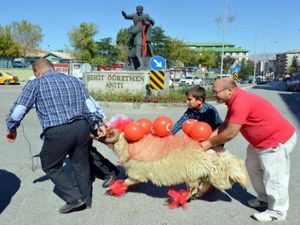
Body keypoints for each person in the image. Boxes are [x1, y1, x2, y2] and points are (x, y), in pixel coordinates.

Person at [6, 58, 105, 213]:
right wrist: (97, 124)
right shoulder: (74, 81)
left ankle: (74, 198)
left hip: (58, 131)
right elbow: (89, 105)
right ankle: (86, 199)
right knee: (81, 164)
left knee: (50, 164)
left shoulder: (35, 83)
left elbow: (20, 108)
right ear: (52, 67)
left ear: (36, 71)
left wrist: (12, 127)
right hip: (81, 128)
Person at [200, 77, 297, 222]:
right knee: (252, 167)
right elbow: (224, 125)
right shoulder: (233, 101)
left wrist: (208, 144)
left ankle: (277, 211)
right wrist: (206, 139)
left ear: (229, 90)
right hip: (259, 142)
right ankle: (264, 199)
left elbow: (230, 132)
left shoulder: (240, 102)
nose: (213, 95)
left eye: (215, 92)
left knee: (275, 176)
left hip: (275, 141)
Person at [88, 96, 119, 188]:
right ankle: (97, 171)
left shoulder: (75, 85)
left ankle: (109, 172)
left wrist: (102, 119)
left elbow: (90, 104)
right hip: (79, 123)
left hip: (88, 122)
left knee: (85, 150)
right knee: (82, 150)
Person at [122, 5, 155, 69]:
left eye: (140, 9)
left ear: (142, 9)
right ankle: (132, 61)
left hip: (144, 30)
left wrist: (150, 22)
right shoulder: (134, 15)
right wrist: (124, 15)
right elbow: (126, 17)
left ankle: (152, 55)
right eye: (137, 9)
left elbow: (152, 22)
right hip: (136, 31)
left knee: (147, 42)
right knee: (132, 47)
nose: (138, 10)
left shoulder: (145, 15)